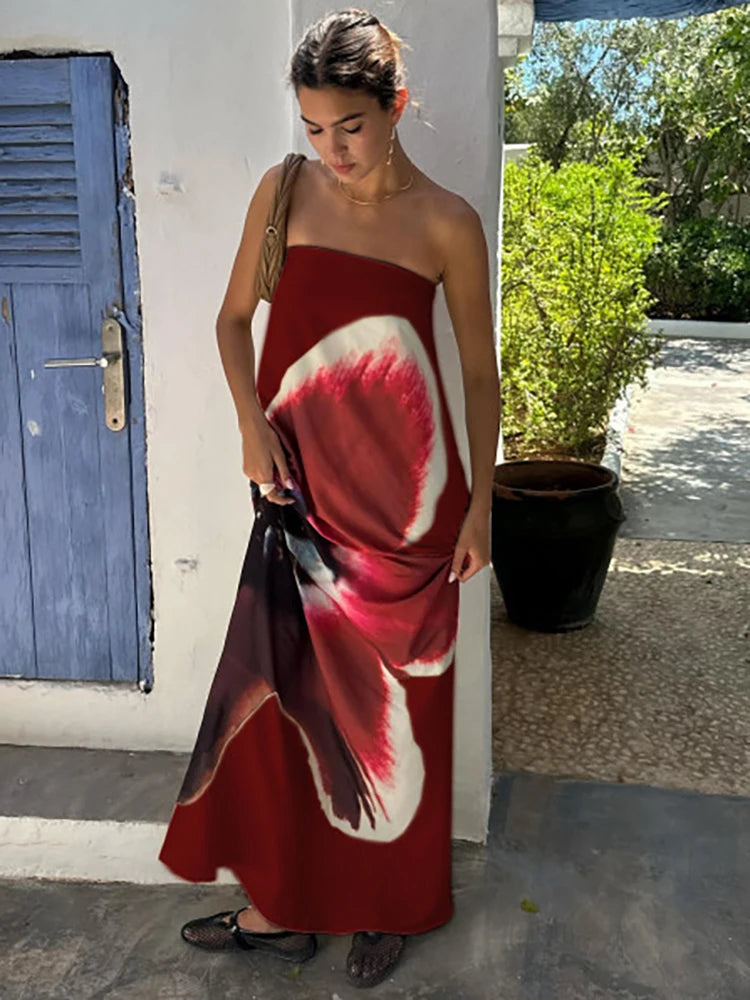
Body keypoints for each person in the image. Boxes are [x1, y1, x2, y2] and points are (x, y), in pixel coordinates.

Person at [158, 6, 500, 990]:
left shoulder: (446, 223)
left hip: (410, 510)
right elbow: (231, 322)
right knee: (280, 717)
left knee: (404, 714)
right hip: (296, 502)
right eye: (312, 127)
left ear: (394, 106)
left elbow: (477, 373)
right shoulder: (284, 193)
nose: (330, 149)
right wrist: (248, 422)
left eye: (348, 125)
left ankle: (390, 907)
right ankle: (280, 908)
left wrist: (478, 505)